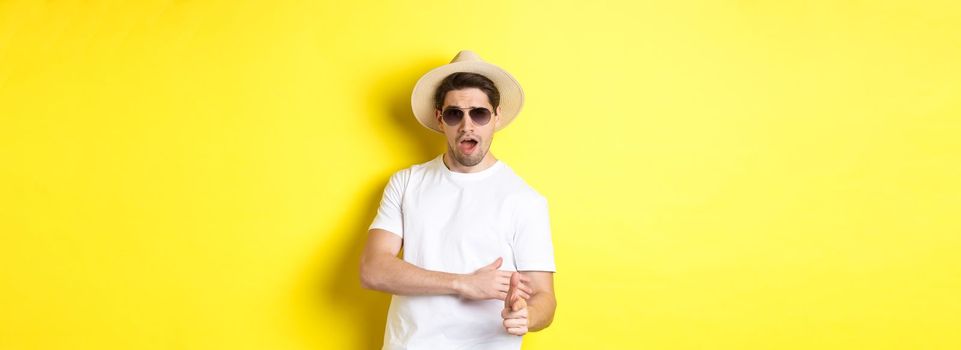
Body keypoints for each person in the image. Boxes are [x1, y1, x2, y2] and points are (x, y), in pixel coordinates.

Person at [360, 50, 557, 350]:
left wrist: (527, 316)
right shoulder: (406, 183)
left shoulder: (525, 200)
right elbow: (373, 269)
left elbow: (545, 298)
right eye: (455, 114)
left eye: (479, 113)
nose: (467, 125)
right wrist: (463, 283)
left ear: (496, 117)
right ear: (440, 119)